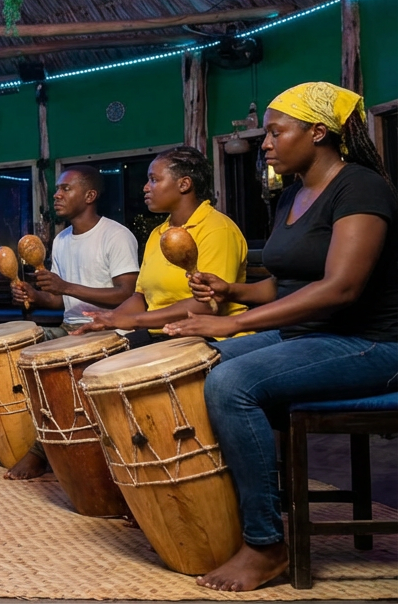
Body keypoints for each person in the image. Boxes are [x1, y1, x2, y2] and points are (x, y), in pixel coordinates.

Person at [162, 83, 398, 592]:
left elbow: (341, 287)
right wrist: (233, 290)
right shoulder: (292, 193)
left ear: (317, 133)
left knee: (233, 383)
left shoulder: (360, 188)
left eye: (275, 131)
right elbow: (285, 282)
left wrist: (233, 321)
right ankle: (214, 513)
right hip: (308, 336)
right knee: (194, 362)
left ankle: (266, 544)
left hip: (371, 344)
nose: (264, 142)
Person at [3, 164, 140, 478]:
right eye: (57, 189)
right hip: (71, 328)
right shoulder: (62, 240)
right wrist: (37, 295)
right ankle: (8, 437)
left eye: (66, 188)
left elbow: (126, 294)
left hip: (110, 329)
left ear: (90, 195)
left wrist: (65, 286)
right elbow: (61, 301)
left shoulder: (116, 236)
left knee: (56, 361)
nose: (57, 194)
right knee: (16, 349)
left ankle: (41, 452)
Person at [74, 146, 248, 346]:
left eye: (154, 180)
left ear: (184, 184)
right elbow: (141, 297)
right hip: (163, 334)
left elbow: (209, 304)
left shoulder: (217, 229)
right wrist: (110, 318)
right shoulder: (159, 233)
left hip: (212, 337)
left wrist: (134, 320)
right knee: (97, 355)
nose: (145, 187)